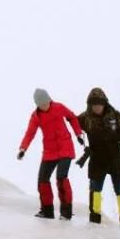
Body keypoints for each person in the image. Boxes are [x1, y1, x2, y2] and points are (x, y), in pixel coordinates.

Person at [18, 88, 85, 219]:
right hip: (49, 151)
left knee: (61, 177)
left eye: (45, 103)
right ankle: (47, 211)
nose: (44, 106)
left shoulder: (59, 107)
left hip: (65, 147)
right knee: (42, 179)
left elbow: (72, 117)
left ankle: (66, 212)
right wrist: (23, 148)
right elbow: (30, 133)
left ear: (49, 100)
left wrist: (78, 133)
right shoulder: (36, 116)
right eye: (40, 105)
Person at [76, 87, 120, 226]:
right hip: (97, 158)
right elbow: (72, 122)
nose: (97, 107)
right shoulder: (84, 118)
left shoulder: (115, 114)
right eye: (94, 104)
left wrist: (118, 137)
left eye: (99, 104)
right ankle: (94, 221)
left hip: (116, 157)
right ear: (90, 105)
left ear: (104, 103)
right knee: (95, 189)